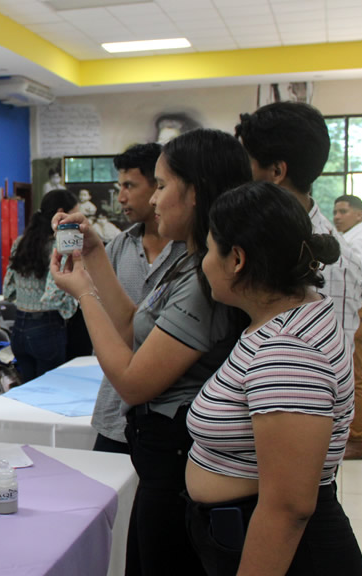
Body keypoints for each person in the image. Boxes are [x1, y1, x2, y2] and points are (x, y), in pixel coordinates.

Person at [51, 129, 251, 575]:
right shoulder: (186, 260)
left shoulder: (205, 280)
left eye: (160, 186)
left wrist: (84, 295)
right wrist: (96, 254)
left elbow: (133, 381)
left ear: (195, 192)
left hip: (177, 453)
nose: (153, 200)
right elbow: (130, 327)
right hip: (158, 454)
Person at [185, 181, 362, 575]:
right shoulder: (285, 318)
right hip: (242, 530)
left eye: (209, 248)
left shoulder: (288, 351)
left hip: (286, 552)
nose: (202, 262)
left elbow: (289, 508)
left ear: (236, 259)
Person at [235, 102, 362, 344]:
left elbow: (330, 363)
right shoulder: (249, 232)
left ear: (276, 172)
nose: (240, 175)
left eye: (247, 162)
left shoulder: (332, 262)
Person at [91, 142, 186, 456]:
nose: (121, 197)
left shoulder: (193, 254)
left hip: (167, 413)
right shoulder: (118, 246)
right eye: (120, 186)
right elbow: (105, 322)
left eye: (130, 186)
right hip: (115, 408)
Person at [1, 189, 80, 382]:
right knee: (52, 394)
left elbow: (8, 291)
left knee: (31, 396)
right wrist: (74, 303)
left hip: (19, 327)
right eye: (75, 214)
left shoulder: (21, 242)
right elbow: (53, 295)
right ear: (61, 212)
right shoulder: (58, 246)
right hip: (47, 326)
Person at [332, 195, 362, 460]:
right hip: (356, 310)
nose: (338, 216)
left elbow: (353, 271)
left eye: (344, 211)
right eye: (335, 211)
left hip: (359, 311)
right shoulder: (352, 236)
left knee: (355, 376)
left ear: (359, 215)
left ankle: (357, 439)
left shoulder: (361, 239)